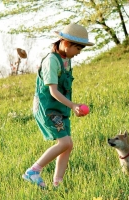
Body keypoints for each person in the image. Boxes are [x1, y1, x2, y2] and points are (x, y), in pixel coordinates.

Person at [22, 23, 94, 188]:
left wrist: (70, 106)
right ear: (67, 43)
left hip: (60, 108)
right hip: (47, 108)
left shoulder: (66, 59)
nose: (79, 53)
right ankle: (33, 171)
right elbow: (53, 91)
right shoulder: (51, 61)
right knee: (65, 143)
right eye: (78, 48)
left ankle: (58, 184)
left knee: (68, 145)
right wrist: (73, 105)